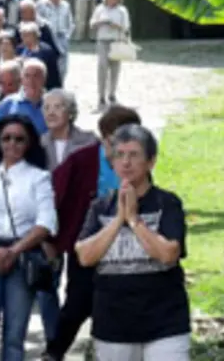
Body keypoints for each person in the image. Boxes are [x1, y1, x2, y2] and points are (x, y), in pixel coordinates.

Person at [76, 124, 190, 361]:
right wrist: (118, 220)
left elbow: (168, 253)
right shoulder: (100, 207)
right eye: (120, 155)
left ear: (151, 161)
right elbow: (85, 256)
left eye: (134, 155)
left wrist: (134, 220)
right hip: (113, 326)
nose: (126, 162)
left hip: (165, 324)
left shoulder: (167, 203)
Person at [42, 105, 142, 361]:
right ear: (103, 137)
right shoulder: (82, 160)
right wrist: (51, 240)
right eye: (114, 141)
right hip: (86, 242)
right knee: (77, 303)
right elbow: (55, 196)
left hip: (123, 247)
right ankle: (54, 353)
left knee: (118, 306)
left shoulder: (136, 164)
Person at [0, 114, 57, 361]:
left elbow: (46, 223)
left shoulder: (39, 178)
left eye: (19, 139)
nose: (12, 144)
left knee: (14, 336)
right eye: (6, 138)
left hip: (23, 256)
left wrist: (14, 251)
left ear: (28, 143)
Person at [35, 89, 97, 345]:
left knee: (77, 284)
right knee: (47, 282)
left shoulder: (88, 141)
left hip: (79, 220)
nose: (51, 112)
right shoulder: (38, 144)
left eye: (58, 106)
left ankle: (68, 336)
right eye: (47, 107)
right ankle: (53, 339)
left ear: (70, 112)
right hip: (48, 220)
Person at [90, 0, 131, 109]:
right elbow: (92, 24)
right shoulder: (100, 9)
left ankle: (112, 93)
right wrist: (101, 22)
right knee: (102, 67)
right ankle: (101, 95)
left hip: (116, 40)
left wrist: (116, 26)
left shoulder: (122, 10)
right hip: (103, 40)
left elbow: (126, 27)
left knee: (115, 69)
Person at [0, 58, 48, 135]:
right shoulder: (8, 103)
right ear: (22, 79)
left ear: (44, 79)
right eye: (27, 76)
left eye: (36, 76)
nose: (31, 80)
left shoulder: (52, 104)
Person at [37, 0, 75, 82]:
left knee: (63, 66)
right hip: (48, 38)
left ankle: (60, 84)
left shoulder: (66, 5)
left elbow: (70, 22)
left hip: (62, 37)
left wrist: (68, 36)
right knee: (48, 62)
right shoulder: (42, 4)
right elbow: (37, 19)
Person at [16, 21, 61, 90]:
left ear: (35, 35)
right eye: (22, 35)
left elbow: (44, 68)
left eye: (26, 35)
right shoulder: (20, 48)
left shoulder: (45, 50)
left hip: (43, 86)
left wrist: (26, 61)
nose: (23, 38)